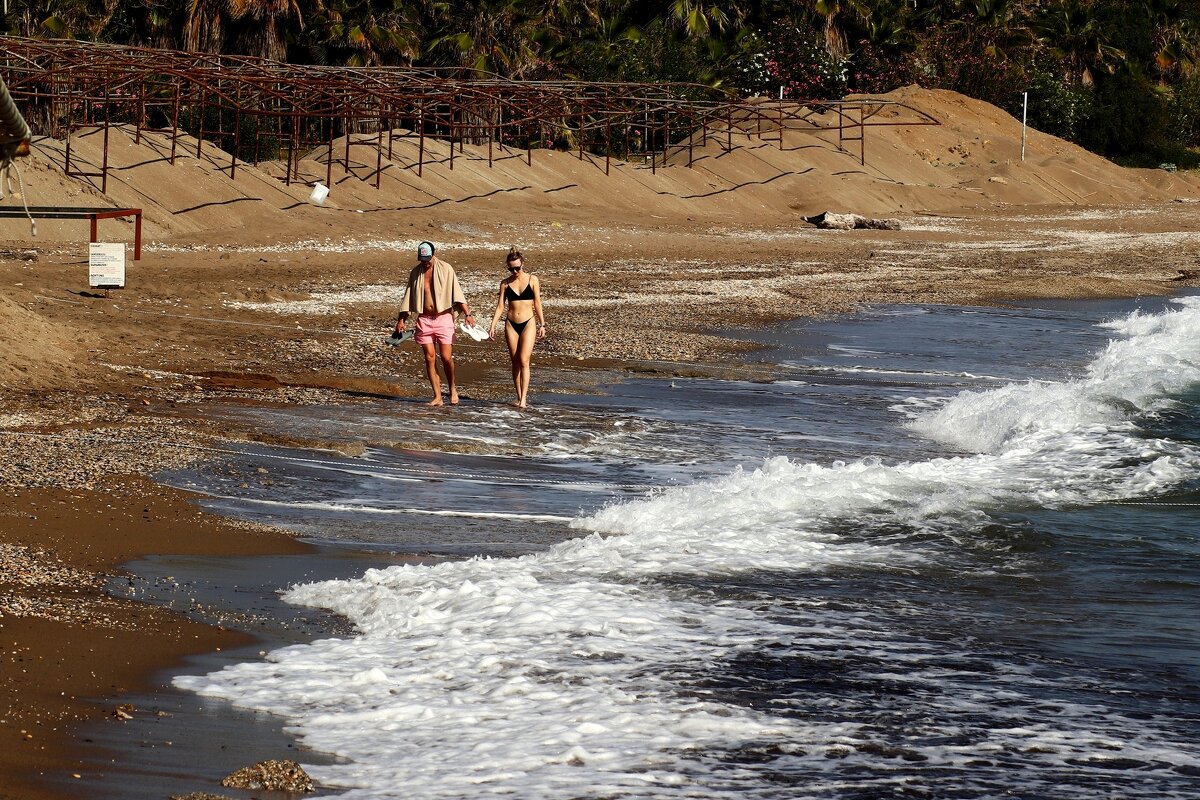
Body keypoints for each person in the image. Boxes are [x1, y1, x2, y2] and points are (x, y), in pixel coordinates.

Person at [394, 241, 477, 406]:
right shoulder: (416, 273)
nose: (425, 263)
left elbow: (457, 293)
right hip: (424, 319)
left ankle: (452, 387)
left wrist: (468, 314)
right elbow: (409, 298)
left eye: (428, 259)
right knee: (429, 358)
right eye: (422, 260)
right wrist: (401, 320)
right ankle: (437, 396)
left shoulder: (446, 269)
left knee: (446, 357)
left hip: (443, 317)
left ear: (434, 254)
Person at [489, 246, 546, 408]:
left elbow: (537, 303)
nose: (515, 271)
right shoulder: (505, 284)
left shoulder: (532, 280)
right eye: (511, 269)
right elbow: (500, 306)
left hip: (528, 322)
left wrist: (542, 324)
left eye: (517, 268)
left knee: (523, 360)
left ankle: (524, 400)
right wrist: (492, 325)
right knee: (515, 362)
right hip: (510, 324)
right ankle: (519, 396)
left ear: (523, 264)